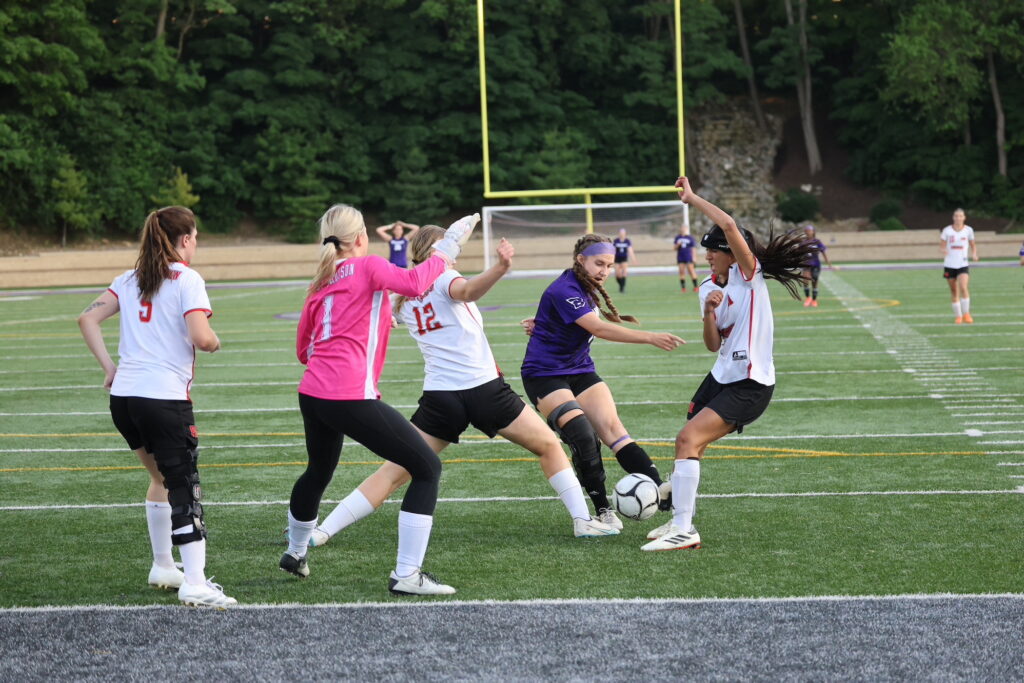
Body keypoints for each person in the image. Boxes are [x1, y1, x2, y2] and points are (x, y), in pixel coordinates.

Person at [299, 228, 616, 548]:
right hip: (483, 390)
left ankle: (324, 530)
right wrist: (500, 268)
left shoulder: (401, 294)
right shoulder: (442, 276)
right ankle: (582, 520)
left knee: (396, 471)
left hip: (440, 397)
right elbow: (466, 291)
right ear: (439, 250)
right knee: (549, 446)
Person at [280, 204, 477, 596]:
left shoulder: (319, 281)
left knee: (318, 472)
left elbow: (304, 349)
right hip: (346, 394)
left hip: (312, 392)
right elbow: (416, 282)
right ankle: (407, 574)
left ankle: (295, 551)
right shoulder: (368, 266)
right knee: (426, 468)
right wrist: (450, 244)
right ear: (359, 239)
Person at [642, 177, 818, 552]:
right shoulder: (708, 287)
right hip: (721, 375)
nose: (707, 256)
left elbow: (728, 226)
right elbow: (712, 344)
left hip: (750, 383)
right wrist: (707, 313)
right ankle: (679, 519)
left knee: (687, 439)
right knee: (690, 442)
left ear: (730, 253)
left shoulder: (749, 276)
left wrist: (692, 199)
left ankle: (684, 529)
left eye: (712, 251)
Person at [77, 206, 235, 607]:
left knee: (161, 480)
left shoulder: (129, 279)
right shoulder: (187, 278)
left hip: (125, 398)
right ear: (184, 240)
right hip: (162, 398)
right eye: (195, 236)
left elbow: (87, 319)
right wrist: (215, 341)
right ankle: (195, 581)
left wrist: (110, 367)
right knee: (185, 486)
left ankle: (164, 565)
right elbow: (201, 337)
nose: (196, 243)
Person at [519, 234, 686, 529]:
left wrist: (539, 324)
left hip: (580, 369)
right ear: (580, 260)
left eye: (609, 265)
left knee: (614, 431)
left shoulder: (586, 289)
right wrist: (650, 337)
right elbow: (598, 327)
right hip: (544, 373)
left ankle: (660, 490)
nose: (604, 271)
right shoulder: (565, 289)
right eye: (599, 263)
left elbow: (563, 322)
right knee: (583, 434)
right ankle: (603, 510)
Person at [940, 209, 978, 324]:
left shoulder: (968, 230)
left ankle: (966, 314)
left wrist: (975, 254)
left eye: (960, 216)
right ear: (953, 217)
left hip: (963, 264)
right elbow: (942, 246)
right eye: (956, 216)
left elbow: (973, 245)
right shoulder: (947, 230)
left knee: (963, 287)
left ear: (964, 217)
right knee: (954, 290)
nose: (958, 218)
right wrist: (943, 250)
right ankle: (958, 316)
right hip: (949, 265)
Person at [800, 224, 836, 307]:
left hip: (815, 264)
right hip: (806, 264)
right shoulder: (802, 242)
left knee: (814, 282)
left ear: (813, 232)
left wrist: (828, 264)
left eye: (810, 231)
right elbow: (799, 253)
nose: (808, 232)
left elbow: (823, 252)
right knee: (805, 280)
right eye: (807, 231)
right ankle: (808, 298)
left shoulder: (817, 241)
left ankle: (814, 300)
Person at [673, 224, 699, 292]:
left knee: (691, 271)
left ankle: (696, 287)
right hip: (681, 257)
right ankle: (683, 288)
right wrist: (678, 245)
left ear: (687, 229)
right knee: (681, 272)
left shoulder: (690, 237)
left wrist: (694, 257)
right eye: (682, 228)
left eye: (684, 228)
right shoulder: (677, 237)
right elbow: (674, 248)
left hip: (688, 256)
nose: (683, 229)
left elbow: (693, 248)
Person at [612, 228, 636, 293]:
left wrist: (633, 258)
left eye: (623, 233)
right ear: (619, 234)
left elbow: (630, 250)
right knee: (618, 274)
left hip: (624, 258)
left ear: (625, 234)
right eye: (621, 233)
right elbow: (613, 250)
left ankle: (622, 288)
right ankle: (621, 285)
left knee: (624, 272)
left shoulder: (627, 241)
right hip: (617, 258)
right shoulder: (616, 241)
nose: (622, 234)